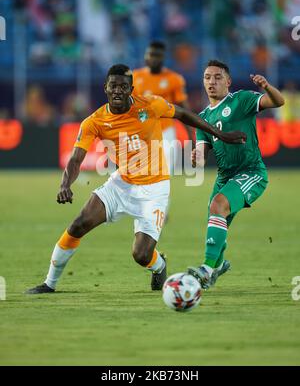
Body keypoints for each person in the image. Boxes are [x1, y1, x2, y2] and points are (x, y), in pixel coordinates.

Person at [26, 64, 246, 295]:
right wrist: (65, 184)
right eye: (113, 86)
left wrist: (220, 135)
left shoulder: (150, 105)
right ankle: (49, 283)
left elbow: (182, 114)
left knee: (141, 255)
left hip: (154, 189)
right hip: (121, 184)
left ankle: (159, 265)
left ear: (131, 88)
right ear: (106, 88)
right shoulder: (94, 121)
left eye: (123, 86)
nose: (118, 91)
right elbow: (75, 159)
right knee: (78, 224)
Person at [188, 60, 285, 289]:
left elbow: (279, 102)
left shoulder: (241, 100)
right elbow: (202, 154)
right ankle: (218, 265)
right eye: (207, 77)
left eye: (217, 77)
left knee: (218, 206)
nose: (211, 82)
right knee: (216, 218)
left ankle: (207, 268)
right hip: (224, 176)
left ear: (228, 81)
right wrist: (196, 157)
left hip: (251, 172)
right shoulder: (201, 118)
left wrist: (267, 86)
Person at [133, 41, 194, 174]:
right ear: (145, 56)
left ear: (163, 58)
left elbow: (184, 109)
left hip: (165, 132)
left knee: (165, 172)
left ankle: (163, 195)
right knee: (141, 174)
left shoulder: (174, 79)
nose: (153, 59)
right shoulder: (134, 77)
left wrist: (191, 134)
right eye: (151, 55)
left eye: (157, 55)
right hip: (142, 132)